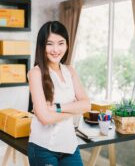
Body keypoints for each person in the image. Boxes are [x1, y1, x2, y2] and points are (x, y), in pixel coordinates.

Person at [27, 21, 91, 166]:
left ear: (67, 45)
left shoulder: (70, 71)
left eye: (61, 43)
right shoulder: (35, 73)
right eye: (50, 44)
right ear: (42, 46)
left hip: (70, 146)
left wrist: (56, 107)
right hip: (43, 149)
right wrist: (75, 109)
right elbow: (44, 118)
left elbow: (86, 104)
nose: (55, 49)